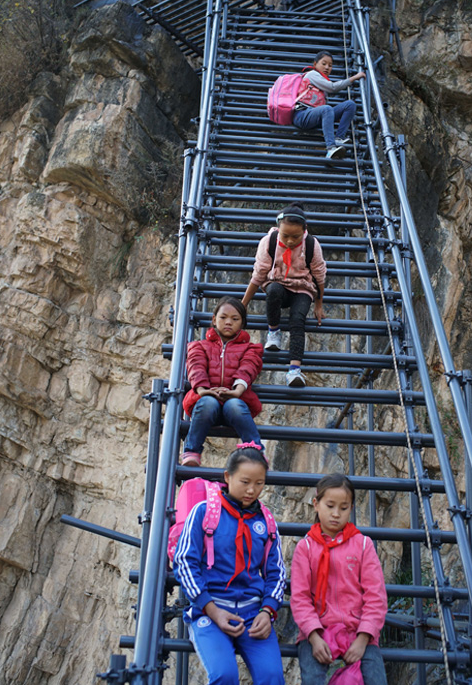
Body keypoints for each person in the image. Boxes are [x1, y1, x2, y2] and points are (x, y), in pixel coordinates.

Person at [174, 446, 287, 685]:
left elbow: (276, 573)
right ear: (228, 476)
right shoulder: (204, 512)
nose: (251, 490)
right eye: (245, 482)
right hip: (209, 610)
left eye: (259, 483)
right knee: (224, 676)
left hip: (253, 615)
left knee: (272, 677)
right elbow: (184, 562)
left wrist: (267, 611)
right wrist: (212, 609)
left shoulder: (266, 521)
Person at [291, 474, 388, 685]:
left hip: (358, 631)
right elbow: (300, 598)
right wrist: (314, 636)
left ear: (351, 508)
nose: (336, 514)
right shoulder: (305, 548)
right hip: (317, 631)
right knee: (313, 679)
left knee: (376, 679)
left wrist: (363, 637)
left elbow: (376, 596)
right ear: (316, 504)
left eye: (343, 508)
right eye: (330, 506)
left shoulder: (363, 545)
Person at [241, 202, 327, 388]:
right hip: (278, 284)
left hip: (302, 288)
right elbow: (259, 274)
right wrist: (243, 304)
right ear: (278, 229)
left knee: (298, 320)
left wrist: (319, 304)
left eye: (295, 237)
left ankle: (294, 370)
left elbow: (319, 276)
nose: (289, 241)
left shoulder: (311, 244)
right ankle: (273, 331)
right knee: (272, 291)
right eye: (285, 235)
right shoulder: (269, 241)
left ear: (304, 230)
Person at [181, 297, 264, 467]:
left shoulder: (250, 349)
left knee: (234, 405)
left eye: (235, 319)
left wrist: (237, 391)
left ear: (242, 323)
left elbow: (248, 368)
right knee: (207, 403)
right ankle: (192, 451)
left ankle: (256, 452)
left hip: (234, 401)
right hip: (206, 401)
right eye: (223, 317)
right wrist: (202, 389)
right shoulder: (199, 346)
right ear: (214, 320)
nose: (228, 322)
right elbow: (196, 366)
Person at [292, 50, 366, 159]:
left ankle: (339, 138)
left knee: (350, 105)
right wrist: (355, 77)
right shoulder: (312, 74)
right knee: (327, 109)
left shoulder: (321, 80)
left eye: (330, 65)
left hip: (315, 117)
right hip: (302, 115)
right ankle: (331, 148)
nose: (327, 67)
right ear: (315, 64)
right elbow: (332, 87)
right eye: (324, 63)